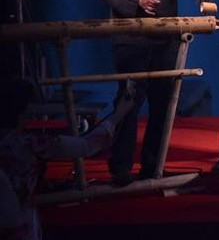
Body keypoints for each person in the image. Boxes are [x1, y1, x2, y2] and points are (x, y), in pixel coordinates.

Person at [97, 0, 218, 185]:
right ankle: (121, 169)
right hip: (130, 38)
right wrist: (137, 0)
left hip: (167, 39)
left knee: (164, 104)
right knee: (129, 101)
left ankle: (153, 168)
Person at [0, 78, 134, 240]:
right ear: (22, 113)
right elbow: (86, 145)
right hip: (18, 224)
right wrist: (118, 114)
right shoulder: (28, 144)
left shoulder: (26, 143)